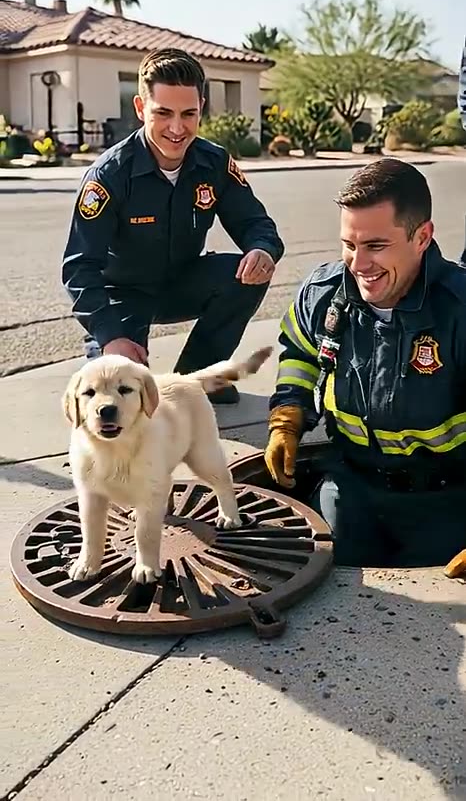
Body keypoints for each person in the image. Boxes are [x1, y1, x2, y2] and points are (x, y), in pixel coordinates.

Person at [264, 157, 466, 567]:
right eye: (349, 244)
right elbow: (300, 355)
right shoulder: (323, 295)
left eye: (376, 246)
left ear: (422, 236)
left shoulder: (459, 309)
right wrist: (287, 418)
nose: (358, 265)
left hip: (447, 498)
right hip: (350, 487)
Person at [62, 48, 284, 404]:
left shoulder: (214, 162)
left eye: (188, 114)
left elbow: (255, 222)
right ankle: (118, 356)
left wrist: (262, 249)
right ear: (140, 108)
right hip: (124, 295)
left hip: (182, 281)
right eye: (163, 113)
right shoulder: (109, 176)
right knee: (121, 396)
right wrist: (109, 336)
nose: (177, 128)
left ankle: (196, 380)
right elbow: (79, 267)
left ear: (202, 108)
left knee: (242, 274)